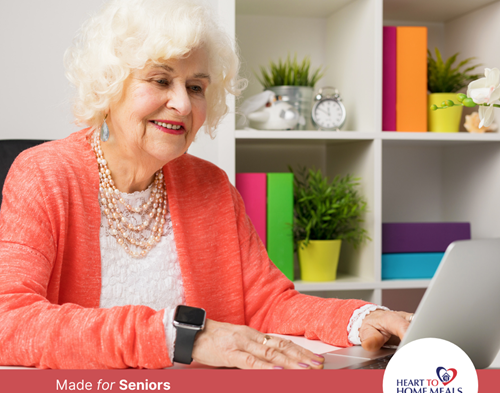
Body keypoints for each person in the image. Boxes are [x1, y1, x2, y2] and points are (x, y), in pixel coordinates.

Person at [0, 0, 411, 370]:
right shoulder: (43, 175)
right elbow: (10, 322)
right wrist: (179, 335)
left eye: (195, 87)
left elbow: (268, 303)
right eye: (161, 81)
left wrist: (360, 320)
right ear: (109, 87)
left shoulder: (210, 185)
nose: (181, 104)